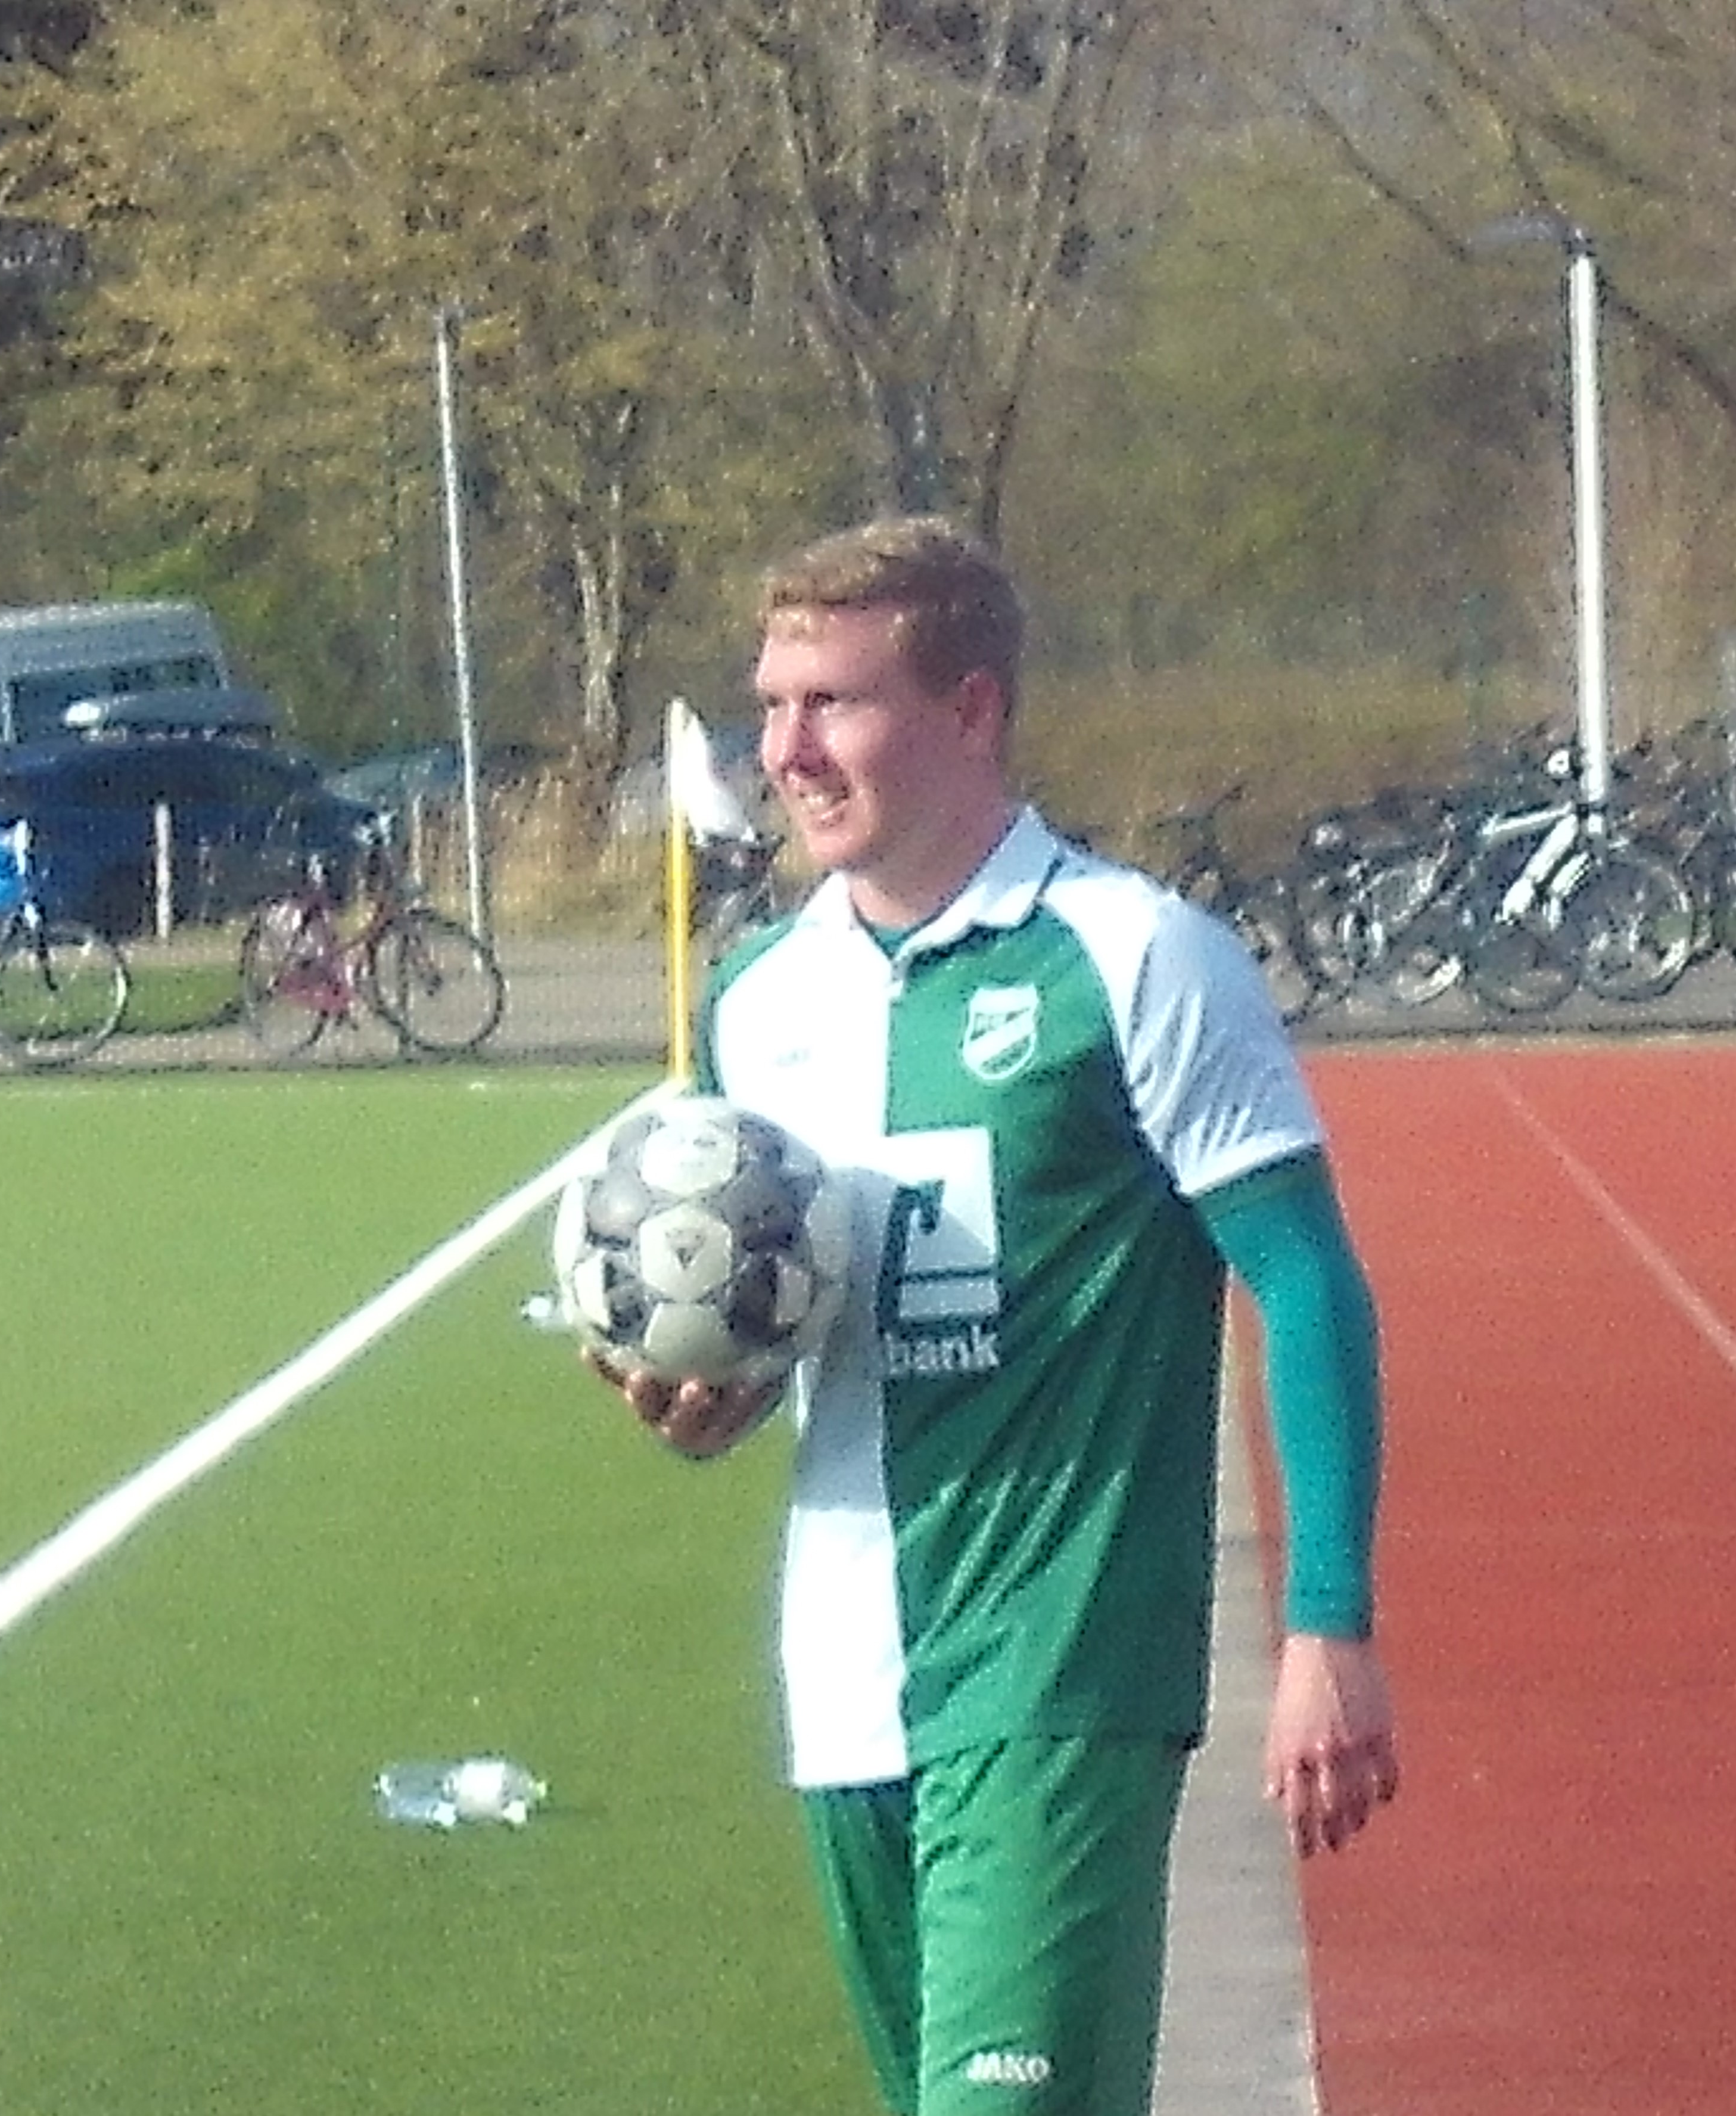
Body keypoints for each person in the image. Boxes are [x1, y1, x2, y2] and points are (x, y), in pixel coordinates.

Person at [593, 513, 1399, 2115]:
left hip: (1060, 1672)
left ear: (971, 710)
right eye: (773, 708)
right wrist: (703, 1394)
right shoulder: (758, 1001)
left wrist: (1328, 1627)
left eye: (834, 704)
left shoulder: (1138, 959)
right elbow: (785, 1322)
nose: (787, 753)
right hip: (844, 1675)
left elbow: (1305, 1282)